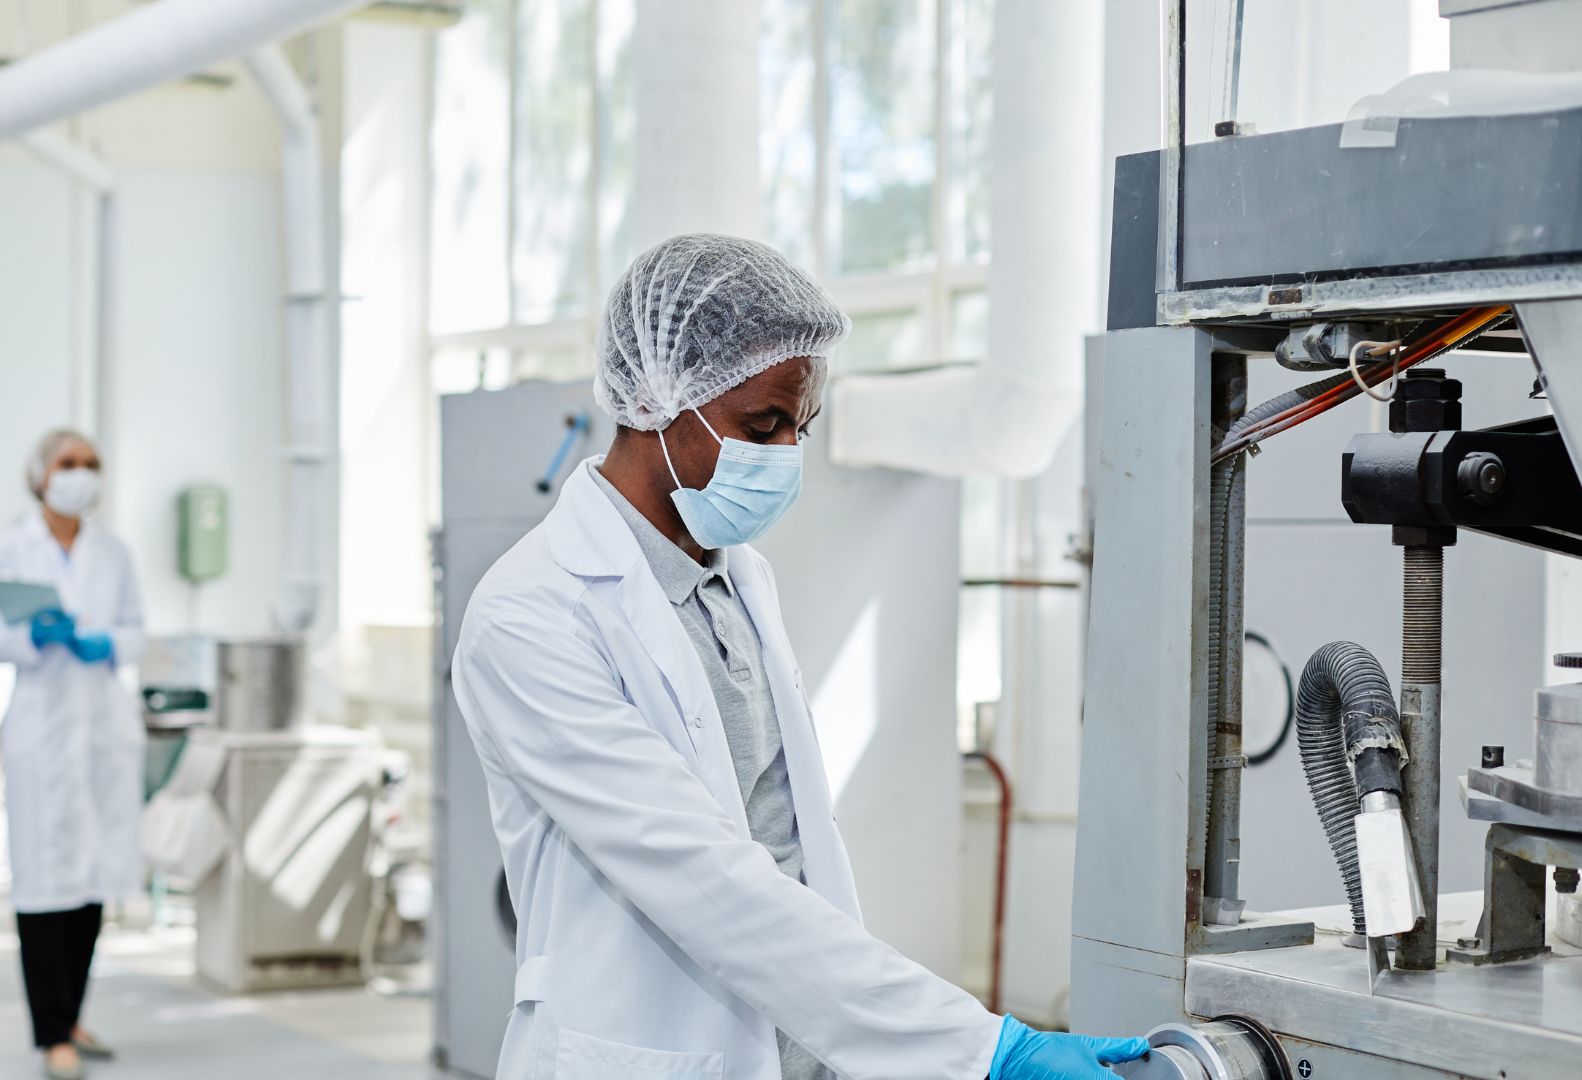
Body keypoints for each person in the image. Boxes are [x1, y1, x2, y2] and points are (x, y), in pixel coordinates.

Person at [452, 234, 1149, 1080]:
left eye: (800, 427)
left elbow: (784, 843)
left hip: (797, 1053)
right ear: (655, 398)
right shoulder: (531, 615)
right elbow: (701, 875)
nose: (785, 455)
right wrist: (982, 1048)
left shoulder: (742, 578)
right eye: (764, 425)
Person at [0, 429, 145, 1080]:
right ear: (39, 475)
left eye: (90, 463)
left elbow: (136, 630)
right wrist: (33, 637)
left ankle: (73, 1014)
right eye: (68, 463)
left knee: (92, 880)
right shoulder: (9, 549)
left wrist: (108, 644)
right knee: (43, 882)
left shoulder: (115, 553)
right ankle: (52, 1033)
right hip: (41, 730)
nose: (81, 473)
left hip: (101, 730)